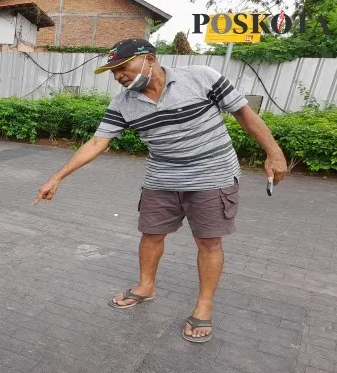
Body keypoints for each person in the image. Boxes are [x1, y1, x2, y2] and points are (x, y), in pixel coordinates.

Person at [32, 38, 287, 343]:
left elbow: (244, 115)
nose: (118, 76)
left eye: (122, 68)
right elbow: (97, 142)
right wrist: (57, 177)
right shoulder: (124, 102)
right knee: (151, 234)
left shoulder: (201, 77)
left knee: (208, 243)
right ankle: (145, 286)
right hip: (162, 177)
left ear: (150, 59)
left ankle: (204, 305)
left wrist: (274, 152)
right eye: (113, 72)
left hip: (212, 175)